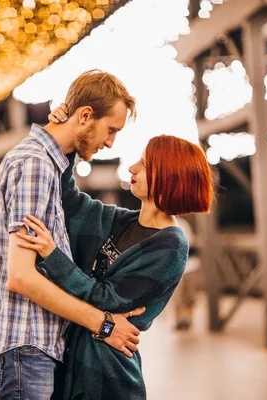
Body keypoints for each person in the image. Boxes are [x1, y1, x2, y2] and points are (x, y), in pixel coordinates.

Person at [17, 105, 215, 400]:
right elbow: (69, 200)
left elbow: (107, 298)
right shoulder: (122, 221)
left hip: (107, 371)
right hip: (78, 356)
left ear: (168, 176)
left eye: (145, 165)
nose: (133, 169)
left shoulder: (171, 246)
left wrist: (52, 255)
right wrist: (66, 134)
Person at [0, 70, 144, 400]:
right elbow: (21, 277)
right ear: (85, 116)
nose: (110, 142)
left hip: (27, 348)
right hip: (23, 345)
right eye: (111, 130)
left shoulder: (47, 163)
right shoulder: (36, 164)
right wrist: (104, 325)